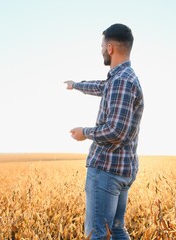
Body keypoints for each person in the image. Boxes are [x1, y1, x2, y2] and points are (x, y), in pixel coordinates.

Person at [64, 23, 144, 239]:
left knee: (97, 233)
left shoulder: (122, 82)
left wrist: (85, 132)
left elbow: (115, 131)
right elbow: (101, 86)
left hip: (107, 171)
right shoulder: (122, 78)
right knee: (116, 229)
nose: (100, 50)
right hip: (121, 170)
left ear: (110, 48)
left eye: (101, 46)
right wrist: (76, 85)